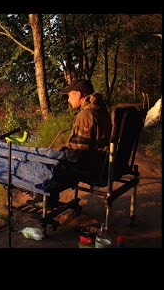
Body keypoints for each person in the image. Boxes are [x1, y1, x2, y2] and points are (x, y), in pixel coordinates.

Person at [38, 79, 112, 209]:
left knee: (49, 164)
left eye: (69, 96)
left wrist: (61, 155)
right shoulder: (101, 110)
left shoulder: (85, 115)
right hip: (102, 162)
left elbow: (78, 155)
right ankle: (47, 195)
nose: (68, 100)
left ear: (78, 95)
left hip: (92, 167)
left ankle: (47, 199)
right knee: (59, 157)